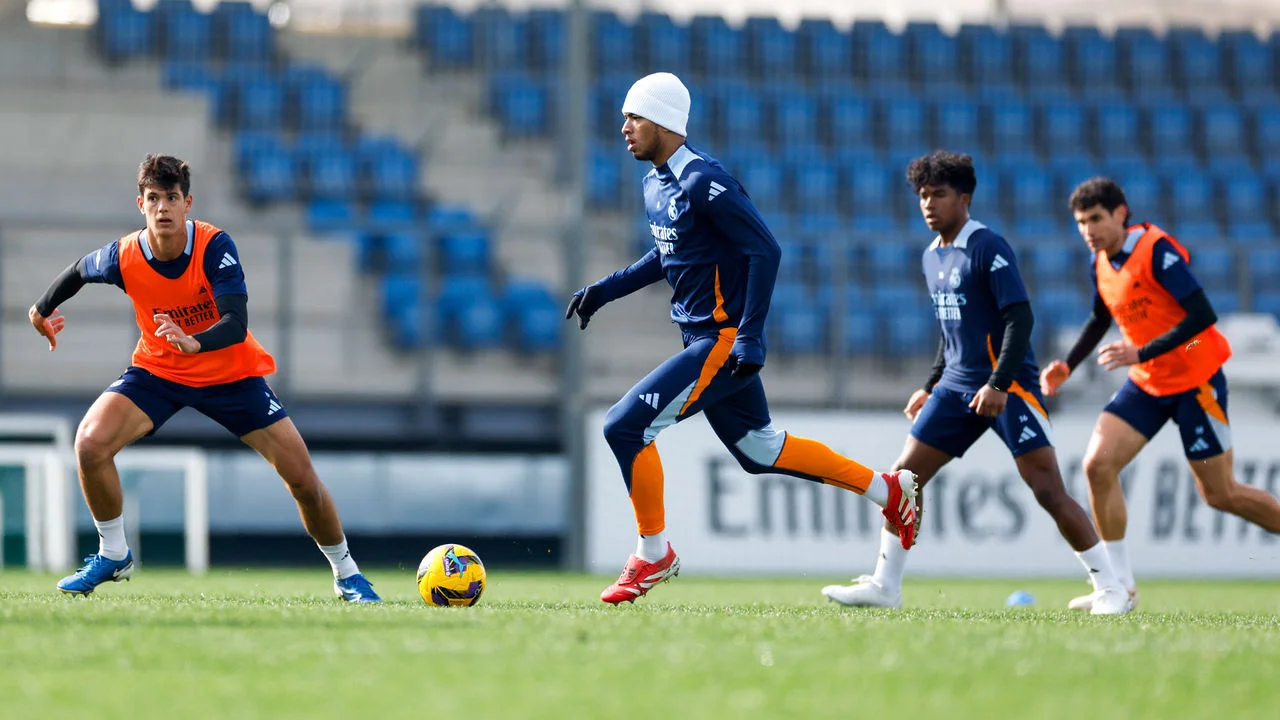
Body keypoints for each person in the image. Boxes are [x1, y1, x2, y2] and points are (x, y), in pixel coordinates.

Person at [567, 72, 919, 605]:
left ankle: (654, 552)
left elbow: (765, 250)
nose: (625, 128)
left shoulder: (703, 180)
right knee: (760, 449)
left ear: (664, 121)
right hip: (699, 340)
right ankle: (886, 489)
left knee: (625, 427)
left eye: (634, 117)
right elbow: (668, 256)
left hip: (724, 339)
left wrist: (750, 337)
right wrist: (604, 291)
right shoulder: (654, 183)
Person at [29, 154, 380, 602]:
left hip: (231, 373)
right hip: (159, 370)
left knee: (303, 481)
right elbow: (79, 270)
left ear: (187, 202)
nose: (162, 208)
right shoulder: (125, 254)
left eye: (171, 198)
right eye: (153, 198)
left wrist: (195, 341)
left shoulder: (215, 246)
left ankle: (346, 574)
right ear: (140, 204)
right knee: (90, 444)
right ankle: (113, 553)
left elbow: (236, 321)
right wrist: (41, 309)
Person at [821, 151, 1130, 615]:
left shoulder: (987, 246)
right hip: (956, 387)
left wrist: (1000, 384)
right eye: (923, 195)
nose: (929, 204)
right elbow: (952, 334)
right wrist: (930, 384)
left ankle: (1111, 589)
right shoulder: (931, 257)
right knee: (904, 480)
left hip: (1009, 389)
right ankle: (886, 585)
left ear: (964, 198)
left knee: (1047, 488)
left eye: (939, 194)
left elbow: (1020, 319)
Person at [1041, 177, 1280, 611]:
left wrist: (1142, 350)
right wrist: (1068, 366)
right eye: (1080, 223)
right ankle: (1118, 587)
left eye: (1095, 219)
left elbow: (1203, 316)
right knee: (1097, 465)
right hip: (1149, 382)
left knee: (1220, 494)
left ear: (1120, 213)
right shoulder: (1100, 262)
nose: (1088, 230)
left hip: (1197, 372)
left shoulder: (1156, 249)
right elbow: (1100, 318)